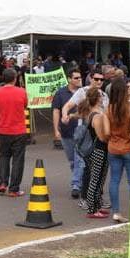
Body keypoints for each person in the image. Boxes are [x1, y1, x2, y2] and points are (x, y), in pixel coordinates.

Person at [102, 78, 130, 223]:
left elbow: (106, 132)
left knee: (114, 180)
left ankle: (116, 212)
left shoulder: (108, 110)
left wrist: (112, 138)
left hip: (113, 147)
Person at [0, 68, 28, 197]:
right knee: (18, 159)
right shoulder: (21, 92)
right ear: (15, 78)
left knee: (4, 156)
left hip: (3, 129)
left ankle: (2, 183)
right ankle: (14, 188)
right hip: (19, 130)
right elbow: (25, 105)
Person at [52, 68, 85, 198]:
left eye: (80, 77)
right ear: (69, 79)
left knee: (79, 159)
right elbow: (56, 111)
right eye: (76, 78)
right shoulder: (60, 93)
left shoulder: (84, 93)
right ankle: (79, 181)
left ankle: (76, 185)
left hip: (81, 131)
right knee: (72, 160)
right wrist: (56, 129)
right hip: (66, 132)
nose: (79, 80)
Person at [78, 87, 110, 218]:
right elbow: (101, 136)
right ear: (97, 99)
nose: (103, 98)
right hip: (99, 150)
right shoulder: (96, 115)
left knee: (100, 179)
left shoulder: (93, 113)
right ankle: (92, 209)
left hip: (99, 150)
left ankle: (97, 205)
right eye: (101, 96)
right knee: (96, 179)